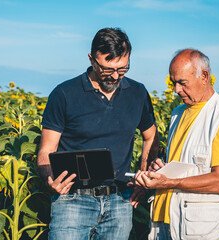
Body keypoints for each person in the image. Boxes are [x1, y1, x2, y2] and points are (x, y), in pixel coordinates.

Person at [37, 27, 159, 240]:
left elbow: (151, 137)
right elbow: (47, 148)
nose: (114, 76)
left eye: (122, 69)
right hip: (72, 200)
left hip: (120, 200)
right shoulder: (64, 93)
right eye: (107, 69)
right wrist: (49, 178)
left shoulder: (138, 93)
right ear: (92, 59)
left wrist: (143, 178)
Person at [134, 49, 219, 240]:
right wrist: (160, 168)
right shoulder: (178, 113)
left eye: (182, 83)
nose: (176, 90)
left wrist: (169, 182)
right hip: (163, 219)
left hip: (197, 227)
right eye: (173, 82)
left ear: (204, 76)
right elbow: (182, 163)